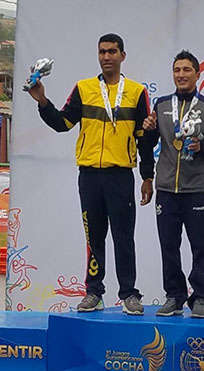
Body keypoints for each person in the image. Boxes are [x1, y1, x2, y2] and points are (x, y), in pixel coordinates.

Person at [27, 33, 154, 315]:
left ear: (123, 55)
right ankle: (94, 292)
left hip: (120, 175)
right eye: (102, 52)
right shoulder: (84, 89)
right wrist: (43, 102)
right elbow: (63, 123)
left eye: (112, 51)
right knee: (94, 236)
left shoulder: (136, 92)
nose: (107, 56)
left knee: (124, 237)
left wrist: (148, 176)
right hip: (89, 176)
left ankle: (129, 294)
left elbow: (144, 137)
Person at [143, 50, 204, 318]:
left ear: (198, 74)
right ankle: (174, 296)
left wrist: (201, 147)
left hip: (197, 189)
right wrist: (148, 129)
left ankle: (200, 297)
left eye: (187, 70)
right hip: (166, 189)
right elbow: (148, 144)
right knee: (169, 245)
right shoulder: (162, 105)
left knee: (200, 246)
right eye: (177, 70)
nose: (181, 75)